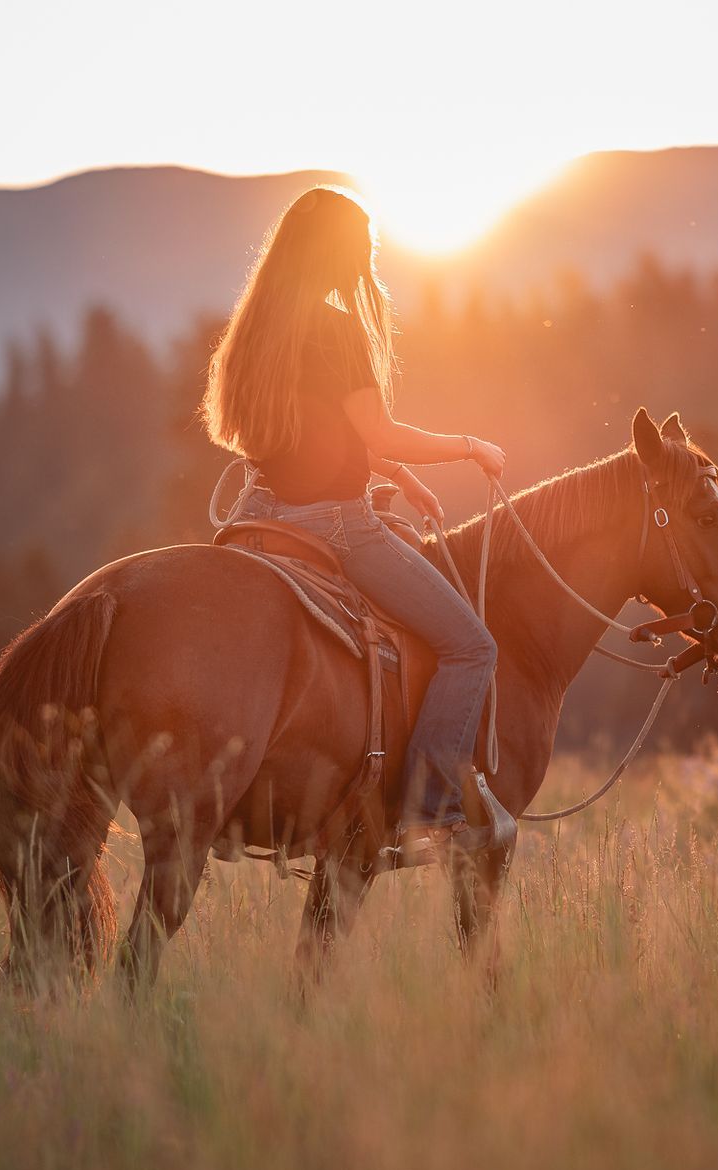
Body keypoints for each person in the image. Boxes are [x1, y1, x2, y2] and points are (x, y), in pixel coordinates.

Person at [201, 184, 507, 863]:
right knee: (471, 647)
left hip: (259, 517)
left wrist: (395, 477)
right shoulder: (337, 328)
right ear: (339, 252)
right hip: (337, 526)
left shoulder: (259, 328)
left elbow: (308, 433)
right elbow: (379, 430)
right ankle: (428, 816)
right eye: (364, 249)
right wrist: (467, 447)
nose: (368, 261)